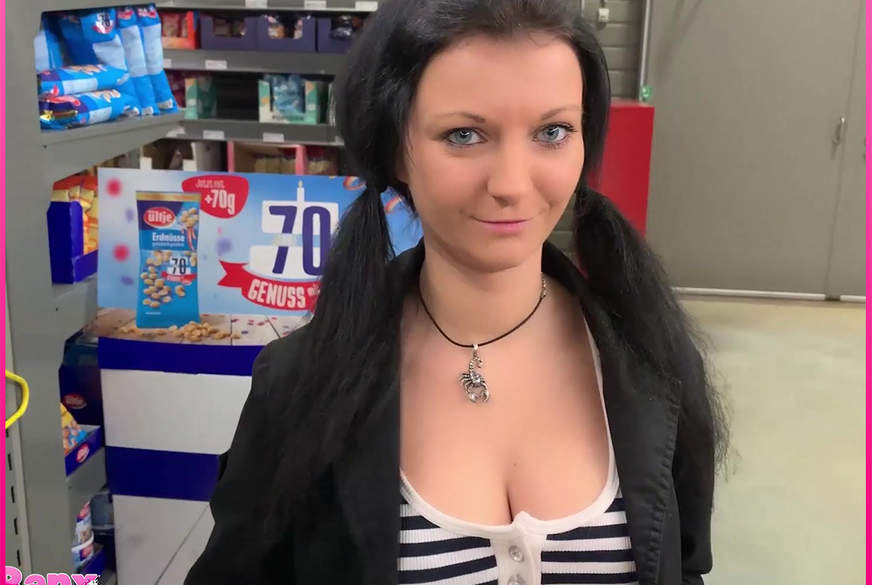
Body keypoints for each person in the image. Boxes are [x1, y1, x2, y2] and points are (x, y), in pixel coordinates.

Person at [185, 0, 727, 583]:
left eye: (552, 131)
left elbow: (684, 567)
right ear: (395, 150)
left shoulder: (653, 359)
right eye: (464, 135)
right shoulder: (301, 386)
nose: (512, 184)